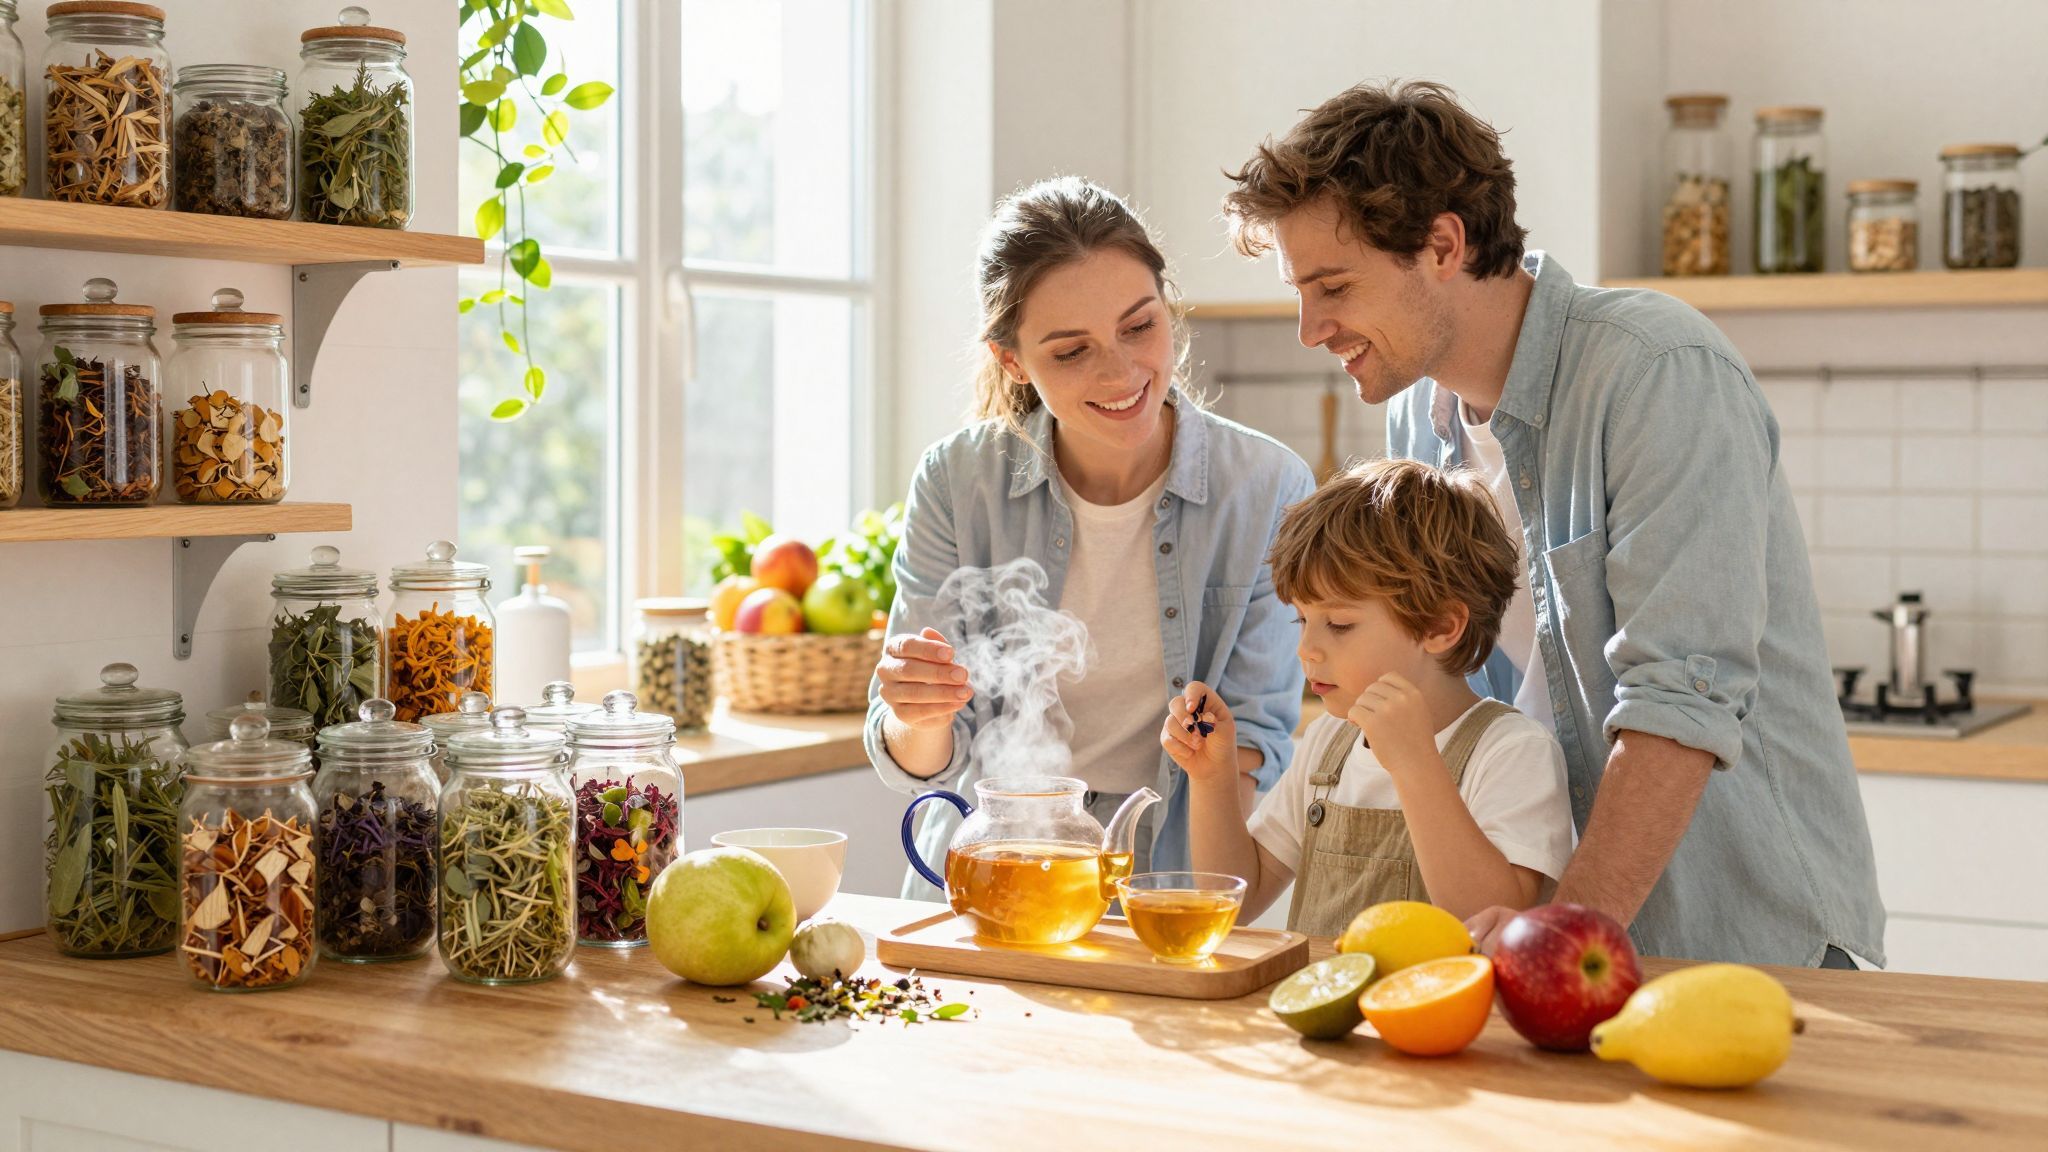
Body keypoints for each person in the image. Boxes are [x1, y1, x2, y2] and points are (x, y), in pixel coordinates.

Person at [1218, 80, 1884, 967]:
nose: (1309, 328)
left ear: (1443, 244)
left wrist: (1559, 941)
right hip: (1554, 927)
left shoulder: (1654, 372)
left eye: (1332, 285)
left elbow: (1675, 699)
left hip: (1732, 930)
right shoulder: (1421, 415)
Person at [867, 176, 1316, 899]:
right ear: (1013, 361)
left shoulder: (1268, 489)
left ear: (1168, 309)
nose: (1121, 372)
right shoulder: (958, 481)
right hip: (990, 880)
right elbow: (921, 763)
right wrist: (918, 712)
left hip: (1170, 878)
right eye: (1071, 352)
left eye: (1140, 327)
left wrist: (1196, 905)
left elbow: (1252, 745)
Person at [1165, 458, 1572, 933]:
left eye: (1339, 625)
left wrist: (1415, 763)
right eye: (1302, 620)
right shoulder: (1327, 743)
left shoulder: (1512, 751)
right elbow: (1236, 900)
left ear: (1441, 626)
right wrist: (1214, 777)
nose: (1307, 649)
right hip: (1318, 1005)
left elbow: (1494, 923)